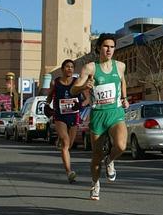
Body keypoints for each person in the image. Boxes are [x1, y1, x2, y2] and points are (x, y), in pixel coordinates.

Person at [71, 33, 129, 200]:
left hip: (115, 113)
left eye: (112, 47)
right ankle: (95, 183)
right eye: (106, 46)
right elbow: (74, 89)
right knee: (96, 156)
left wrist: (124, 98)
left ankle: (110, 160)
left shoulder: (120, 66)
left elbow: (122, 80)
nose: (109, 49)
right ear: (98, 48)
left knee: (121, 145)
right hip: (98, 115)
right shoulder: (90, 68)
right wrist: (84, 86)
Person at [45, 59, 83, 184]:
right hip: (59, 116)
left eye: (72, 67)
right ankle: (69, 172)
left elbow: (87, 98)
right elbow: (50, 96)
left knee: (70, 145)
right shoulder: (55, 82)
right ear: (62, 69)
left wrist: (80, 105)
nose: (70, 69)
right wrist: (47, 105)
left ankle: (60, 140)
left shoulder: (77, 82)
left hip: (73, 116)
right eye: (67, 67)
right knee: (66, 144)